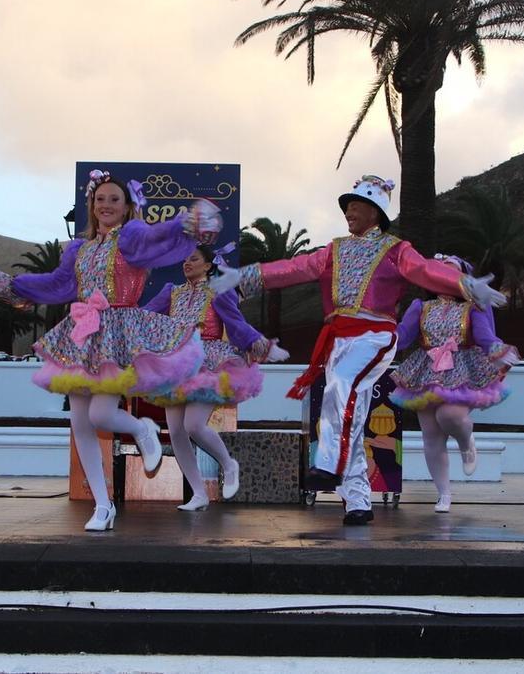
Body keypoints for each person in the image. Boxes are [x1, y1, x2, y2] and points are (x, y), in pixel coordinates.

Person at [217, 175, 506, 525]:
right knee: (344, 414)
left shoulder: (396, 250)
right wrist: (246, 277)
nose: (348, 210)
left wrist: (465, 285)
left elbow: (426, 271)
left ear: (375, 212)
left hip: (375, 335)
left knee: (340, 385)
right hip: (339, 338)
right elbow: (294, 267)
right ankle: (358, 501)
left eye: (355, 204)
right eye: (347, 205)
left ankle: (327, 465)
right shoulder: (333, 250)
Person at [0, 170, 221, 531]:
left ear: (125, 207)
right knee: (80, 422)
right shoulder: (80, 248)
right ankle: (102, 505)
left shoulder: (132, 235)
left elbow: (157, 237)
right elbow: (58, 284)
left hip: (118, 331)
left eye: (114, 200)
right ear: (91, 205)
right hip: (82, 333)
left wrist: (185, 222)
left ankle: (142, 429)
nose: (105, 205)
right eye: (99, 199)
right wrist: (12, 286)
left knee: (101, 415)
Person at [141, 243, 289, 511]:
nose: (187, 263)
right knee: (175, 430)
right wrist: (116, 320)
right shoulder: (171, 293)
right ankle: (198, 493)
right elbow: (144, 318)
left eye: (194, 259)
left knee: (193, 426)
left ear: (208, 265)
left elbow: (236, 324)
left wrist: (261, 345)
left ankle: (228, 463)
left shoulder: (218, 293)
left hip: (209, 361)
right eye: (184, 260)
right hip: (177, 362)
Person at [388, 254, 519, 513]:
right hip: (426, 369)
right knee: (431, 435)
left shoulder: (472, 307)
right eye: (439, 273)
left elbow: (484, 336)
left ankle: (465, 442)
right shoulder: (420, 307)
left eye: (451, 274)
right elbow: (403, 338)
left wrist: (499, 351)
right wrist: (381, 331)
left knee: (450, 416)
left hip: (463, 368)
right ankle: (444, 494)